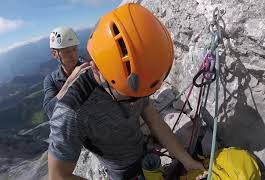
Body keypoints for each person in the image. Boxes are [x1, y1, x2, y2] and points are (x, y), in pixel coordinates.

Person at [47, 3, 204, 180]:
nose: (136, 101)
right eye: (129, 96)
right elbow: (58, 176)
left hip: (144, 152)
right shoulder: (71, 111)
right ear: (98, 69)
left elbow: (153, 120)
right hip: (122, 171)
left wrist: (186, 160)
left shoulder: (134, 75)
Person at [43, 27, 91, 118]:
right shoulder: (51, 80)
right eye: (67, 51)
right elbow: (49, 110)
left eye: (75, 49)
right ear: (54, 54)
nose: (73, 54)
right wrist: (69, 82)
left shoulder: (88, 68)